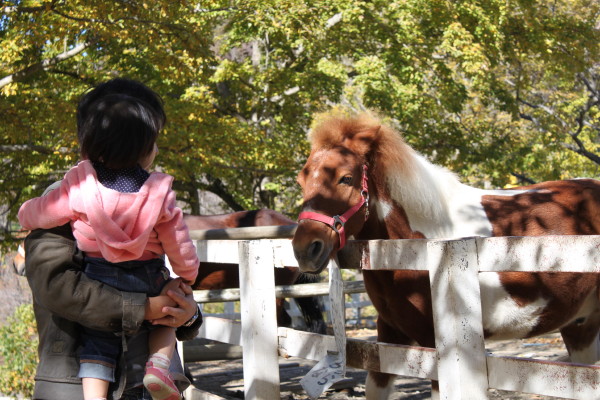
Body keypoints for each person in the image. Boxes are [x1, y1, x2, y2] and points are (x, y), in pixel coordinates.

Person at [19, 79, 200, 400]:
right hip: (72, 384)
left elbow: (167, 271)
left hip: (147, 383)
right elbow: (57, 287)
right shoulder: (63, 201)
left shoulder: (152, 198)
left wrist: (188, 312)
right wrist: (145, 307)